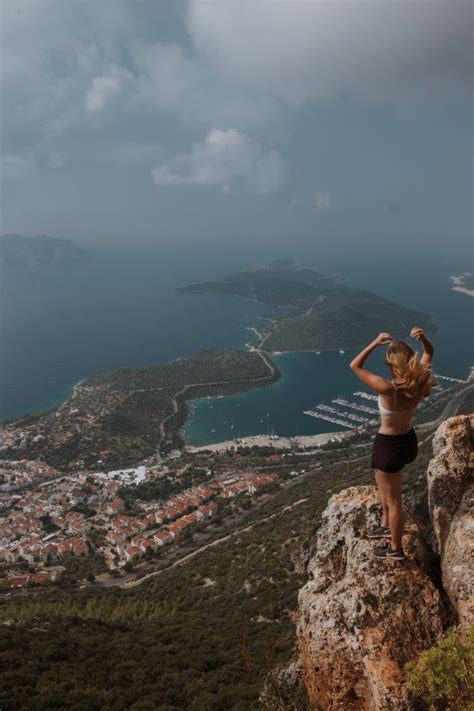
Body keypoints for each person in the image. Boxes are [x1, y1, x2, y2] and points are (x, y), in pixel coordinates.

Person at [349, 327, 436, 560]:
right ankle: (386, 524)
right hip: (408, 441)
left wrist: (375, 342)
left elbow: (355, 366)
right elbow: (430, 352)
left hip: (388, 445)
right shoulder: (419, 380)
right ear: (410, 360)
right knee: (382, 484)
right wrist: (423, 339)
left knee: (395, 500)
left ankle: (395, 549)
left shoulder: (387, 388)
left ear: (390, 363)